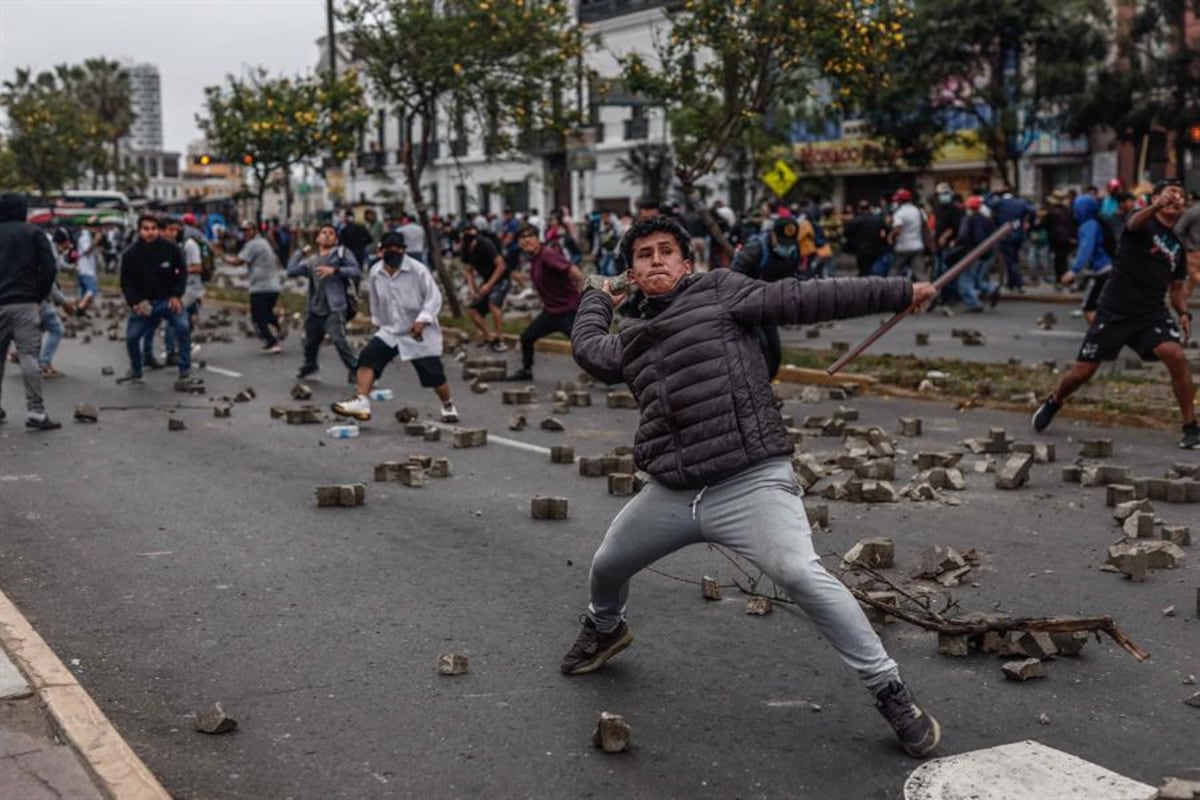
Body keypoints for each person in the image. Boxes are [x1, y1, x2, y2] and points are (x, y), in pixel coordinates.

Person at [563, 216, 941, 759]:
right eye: (644, 255)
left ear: (686, 262)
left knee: (799, 574)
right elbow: (589, 351)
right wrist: (598, 297)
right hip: (674, 491)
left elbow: (802, 298)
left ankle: (890, 690)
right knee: (607, 565)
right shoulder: (634, 339)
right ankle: (605, 629)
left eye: (667, 250)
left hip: (750, 481)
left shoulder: (720, 292)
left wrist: (899, 290)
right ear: (633, 273)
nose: (656, 260)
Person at [1034, 180, 1198, 449]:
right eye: (1171, 193)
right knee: (1082, 373)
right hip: (1115, 311)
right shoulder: (1140, 226)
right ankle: (1055, 401)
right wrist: (1156, 205)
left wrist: (1183, 313)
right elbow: (1134, 223)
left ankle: (1191, 426)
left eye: (1181, 194)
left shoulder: (1177, 246)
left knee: (1175, 355)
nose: (1177, 198)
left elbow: (1177, 287)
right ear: (1155, 198)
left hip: (1151, 314)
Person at [331, 233, 459, 424]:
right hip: (391, 329)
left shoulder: (418, 271)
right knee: (367, 358)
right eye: (389, 249)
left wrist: (422, 320)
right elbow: (375, 299)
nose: (395, 253)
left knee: (434, 374)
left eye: (399, 249)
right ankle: (362, 401)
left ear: (404, 251)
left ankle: (448, 404)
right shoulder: (376, 272)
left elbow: (434, 298)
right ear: (380, 251)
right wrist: (379, 323)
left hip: (417, 331)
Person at [0, 193, 61, 429]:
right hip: (25, 303)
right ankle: (36, 412)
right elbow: (49, 268)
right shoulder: (34, 233)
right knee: (28, 356)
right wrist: (38, 294)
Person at [119, 215, 197, 388]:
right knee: (132, 338)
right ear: (140, 231)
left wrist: (177, 295)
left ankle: (185, 371)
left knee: (183, 327)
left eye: (153, 228)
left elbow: (182, 273)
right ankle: (137, 370)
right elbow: (126, 283)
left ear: (158, 230)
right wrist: (136, 303)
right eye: (146, 229)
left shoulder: (171, 249)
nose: (150, 232)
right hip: (145, 303)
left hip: (168, 301)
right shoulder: (130, 254)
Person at [502, 225, 581, 382]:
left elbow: (573, 270)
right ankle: (526, 370)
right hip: (551, 312)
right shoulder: (535, 258)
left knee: (585, 345)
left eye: (531, 236)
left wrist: (586, 293)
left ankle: (612, 372)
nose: (527, 240)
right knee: (527, 338)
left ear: (538, 239)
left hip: (568, 311)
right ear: (519, 243)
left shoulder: (547, 255)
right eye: (523, 238)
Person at [288, 223, 362, 382]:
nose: (327, 235)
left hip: (335, 307)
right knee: (310, 342)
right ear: (318, 238)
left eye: (331, 233)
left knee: (338, 339)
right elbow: (291, 271)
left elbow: (356, 271)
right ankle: (310, 365)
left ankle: (356, 369)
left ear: (335, 239)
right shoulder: (312, 260)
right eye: (324, 232)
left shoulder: (341, 254)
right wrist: (300, 252)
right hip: (315, 308)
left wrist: (335, 270)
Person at [730, 216, 803, 377]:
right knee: (760, 345)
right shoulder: (755, 249)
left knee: (774, 351)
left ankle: (766, 387)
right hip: (747, 304)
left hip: (769, 306)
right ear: (773, 235)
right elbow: (732, 278)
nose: (785, 247)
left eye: (788, 243)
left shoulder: (793, 250)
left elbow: (793, 277)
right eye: (782, 242)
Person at [219, 221, 284, 353]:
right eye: (243, 231)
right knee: (266, 313)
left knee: (257, 317)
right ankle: (279, 324)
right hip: (274, 285)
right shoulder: (264, 242)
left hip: (261, 287)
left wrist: (221, 256)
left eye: (248, 230)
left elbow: (238, 261)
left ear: (255, 230)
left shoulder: (253, 244)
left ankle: (272, 342)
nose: (245, 233)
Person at [1060, 194, 1113, 325]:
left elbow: (1086, 248)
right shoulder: (1097, 222)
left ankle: (1098, 337)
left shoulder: (1088, 225)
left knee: (1089, 307)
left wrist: (1074, 271)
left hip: (1101, 270)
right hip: (1108, 267)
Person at [460, 221, 510, 353]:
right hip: (487, 281)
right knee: (472, 310)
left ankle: (500, 340)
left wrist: (489, 285)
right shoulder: (465, 249)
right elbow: (469, 270)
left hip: (501, 279)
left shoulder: (485, 244)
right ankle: (489, 337)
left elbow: (501, 265)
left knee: (493, 304)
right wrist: (472, 289)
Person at [955, 196, 999, 312]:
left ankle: (974, 303)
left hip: (972, 253)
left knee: (965, 280)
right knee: (977, 279)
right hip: (986, 253)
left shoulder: (968, 220)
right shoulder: (986, 219)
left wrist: (956, 243)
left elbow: (963, 236)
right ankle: (992, 288)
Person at [988, 185, 1036, 291]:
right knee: (1014, 258)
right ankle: (1011, 283)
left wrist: (993, 192)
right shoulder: (1021, 202)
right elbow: (1033, 211)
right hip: (1018, 233)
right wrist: (1028, 223)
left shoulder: (999, 203)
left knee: (1010, 261)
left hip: (1005, 234)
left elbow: (987, 202)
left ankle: (1019, 283)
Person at [844, 200, 889, 277]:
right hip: (875, 248)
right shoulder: (877, 220)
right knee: (872, 269)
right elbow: (886, 230)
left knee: (863, 269)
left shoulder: (855, 220)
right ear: (869, 208)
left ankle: (865, 284)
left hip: (860, 249)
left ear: (859, 209)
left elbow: (846, 233)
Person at [888, 189, 926, 278]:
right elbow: (924, 224)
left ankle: (889, 290)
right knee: (919, 273)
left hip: (903, 247)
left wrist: (890, 236)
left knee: (895, 271)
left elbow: (898, 229)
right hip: (918, 246)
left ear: (900, 201)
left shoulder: (899, 213)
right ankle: (928, 290)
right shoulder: (918, 210)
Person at [1044, 190, 1074, 286]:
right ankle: (1066, 278)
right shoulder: (1068, 210)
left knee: (1058, 260)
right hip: (1067, 238)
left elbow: (1045, 224)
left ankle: (1061, 279)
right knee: (1065, 259)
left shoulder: (1051, 212)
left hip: (1056, 239)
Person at [74, 220, 100, 315]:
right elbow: (87, 251)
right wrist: (96, 241)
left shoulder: (87, 236)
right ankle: (79, 309)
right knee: (92, 290)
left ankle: (81, 312)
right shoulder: (85, 237)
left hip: (84, 268)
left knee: (84, 292)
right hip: (85, 269)